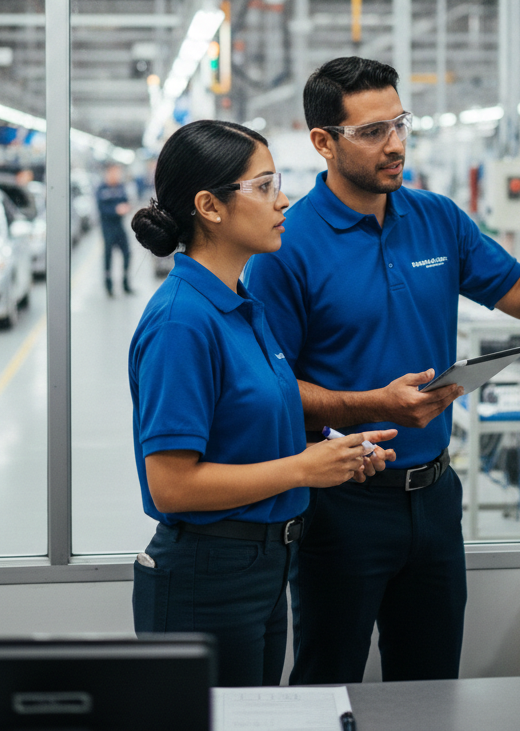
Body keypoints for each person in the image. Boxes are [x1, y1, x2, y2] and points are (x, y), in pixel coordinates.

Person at [244, 57, 520, 685]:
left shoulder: (437, 218)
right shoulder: (287, 244)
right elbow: (276, 392)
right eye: (372, 132)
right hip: (341, 507)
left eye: (399, 123)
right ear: (322, 143)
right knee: (326, 678)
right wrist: (375, 405)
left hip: (435, 499)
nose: (395, 144)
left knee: (430, 686)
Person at [128, 119, 397, 687]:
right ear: (210, 206)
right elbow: (171, 486)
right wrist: (304, 469)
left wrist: (334, 452)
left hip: (262, 568)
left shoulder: (242, 305)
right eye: (265, 186)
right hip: (207, 574)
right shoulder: (182, 321)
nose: (283, 201)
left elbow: (253, 425)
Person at [96, 163, 133, 296]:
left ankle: (125, 282)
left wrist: (126, 207)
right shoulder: (101, 189)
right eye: (114, 173)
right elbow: (101, 209)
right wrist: (116, 210)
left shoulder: (121, 187)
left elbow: (126, 201)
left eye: (118, 173)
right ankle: (108, 285)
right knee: (108, 256)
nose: (117, 176)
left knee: (127, 253)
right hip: (107, 228)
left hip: (119, 227)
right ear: (108, 173)